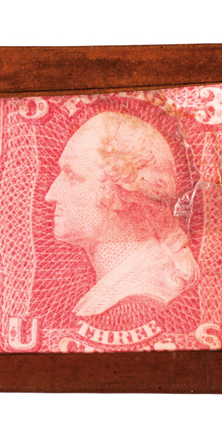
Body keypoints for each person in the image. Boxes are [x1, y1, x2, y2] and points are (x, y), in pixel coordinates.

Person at [45, 111, 199, 321]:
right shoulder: (116, 287)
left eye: (72, 176)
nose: (51, 195)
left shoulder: (140, 296)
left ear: (120, 194)